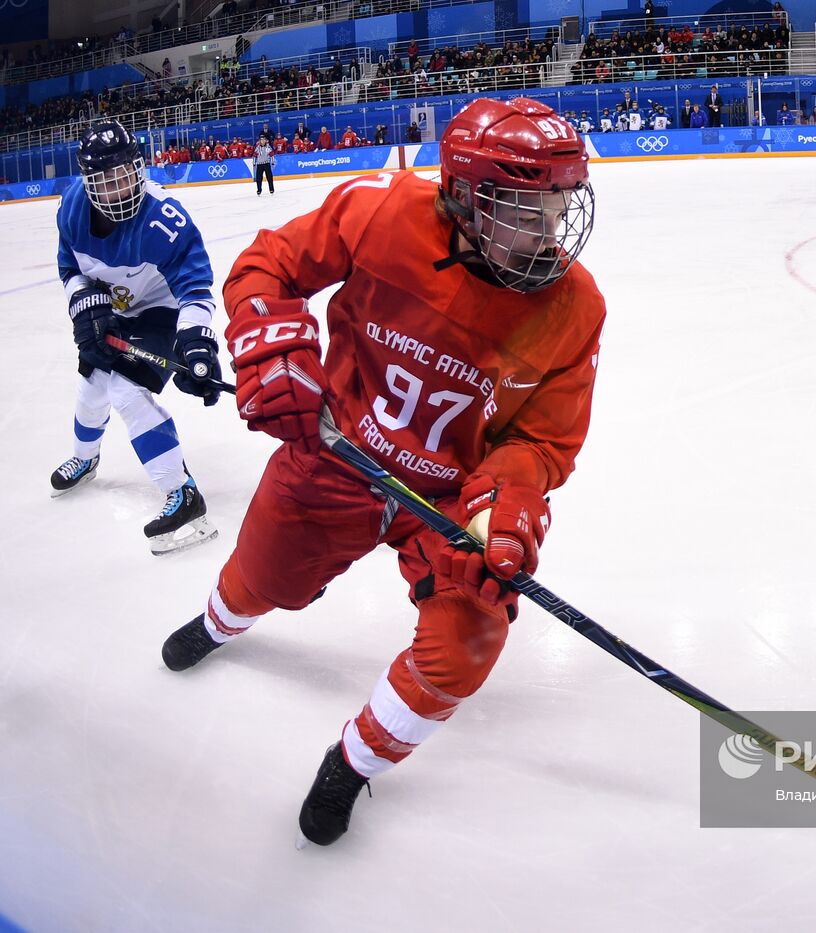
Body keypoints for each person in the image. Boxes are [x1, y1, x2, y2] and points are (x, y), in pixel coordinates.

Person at [158, 97, 605, 847]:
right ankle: (218, 620)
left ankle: (354, 761)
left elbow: (544, 439)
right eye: (526, 212)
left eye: (558, 211)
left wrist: (505, 504)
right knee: (263, 578)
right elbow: (270, 263)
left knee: (466, 642)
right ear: (464, 197)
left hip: (445, 499)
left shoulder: (575, 307)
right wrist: (272, 338)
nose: (550, 236)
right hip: (336, 450)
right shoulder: (380, 212)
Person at [52, 120, 223, 554]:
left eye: (125, 175)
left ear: (139, 168)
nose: (119, 189)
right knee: (91, 383)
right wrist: (84, 303)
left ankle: (183, 492)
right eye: (105, 181)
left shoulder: (165, 220)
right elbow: (70, 269)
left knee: (126, 390)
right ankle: (86, 458)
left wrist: (196, 340)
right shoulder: (71, 210)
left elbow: (195, 288)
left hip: (158, 310)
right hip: (110, 309)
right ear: (87, 183)